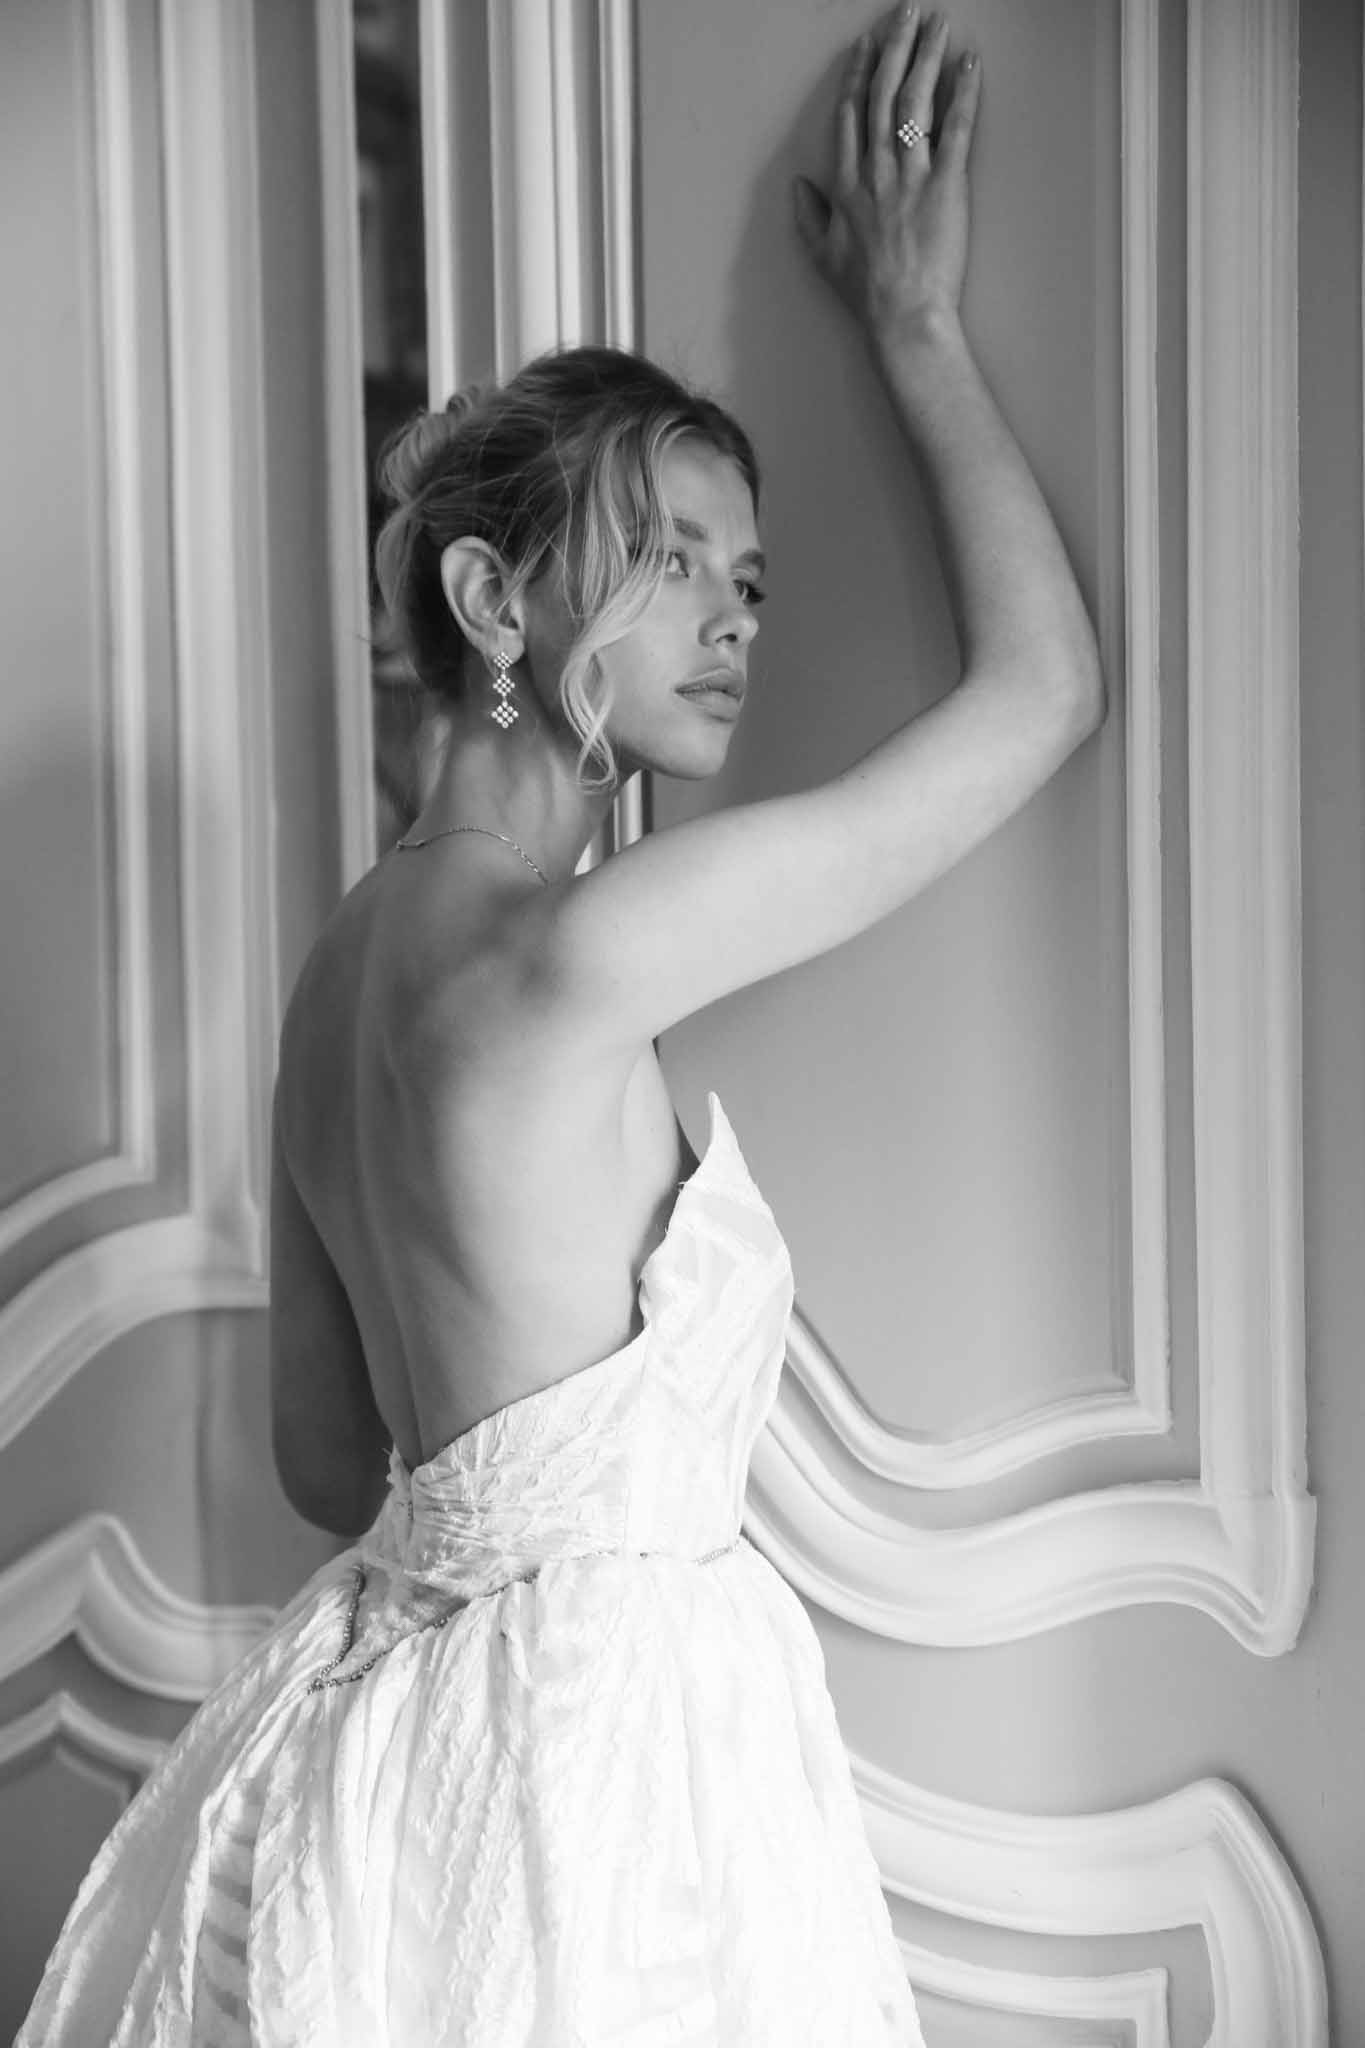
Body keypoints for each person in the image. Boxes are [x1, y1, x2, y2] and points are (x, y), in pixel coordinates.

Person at [18, 5, 1103, 2042]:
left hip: (388, 1754)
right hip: (606, 1760)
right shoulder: (578, 951)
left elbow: (331, 1458)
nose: (732, 618)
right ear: (495, 608)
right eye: (671, 557)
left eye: (750, 581)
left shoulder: (336, 977)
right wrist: (915, 327)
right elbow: (1040, 698)